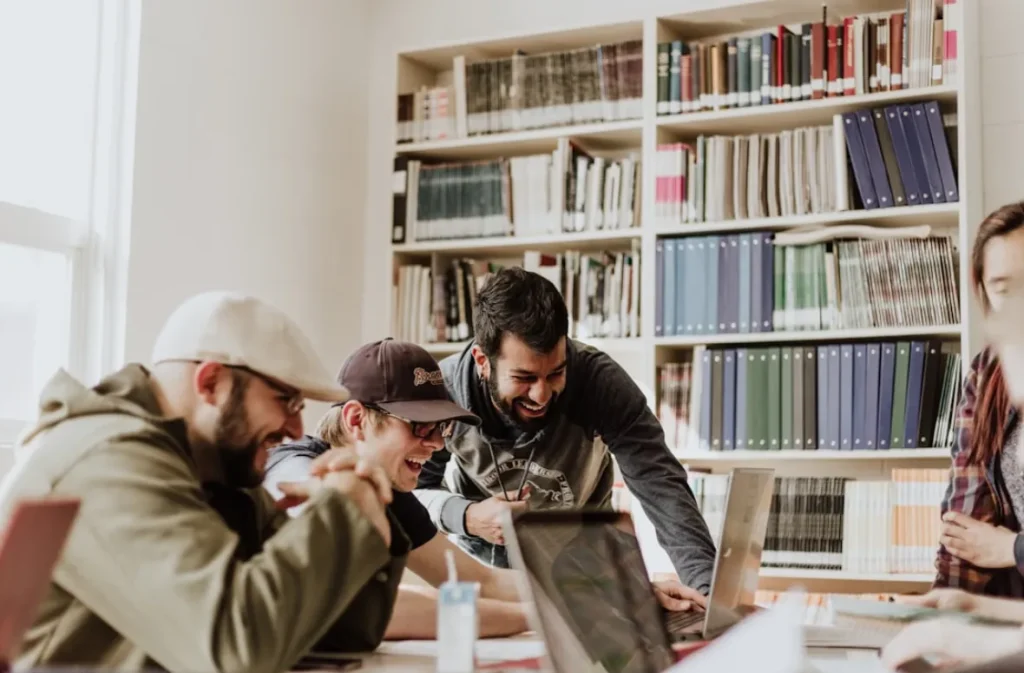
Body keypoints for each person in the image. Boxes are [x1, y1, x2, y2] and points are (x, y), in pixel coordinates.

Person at [0, 291, 407, 673]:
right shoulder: (108, 460)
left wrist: (365, 506)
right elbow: (236, 650)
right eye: (286, 400)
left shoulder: (212, 470)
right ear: (211, 382)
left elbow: (336, 634)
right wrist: (344, 512)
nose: (297, 429)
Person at [264, 338, 701, 640]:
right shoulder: (298, 470)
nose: (436, 445)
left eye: (443, 428)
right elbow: (366, 606)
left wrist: (620, 591)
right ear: (357, 419)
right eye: (419, 427)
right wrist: (565, 614)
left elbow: (479, 580)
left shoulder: (389, 491)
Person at [414, 266, 717, 597]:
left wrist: (706, 592)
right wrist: (466, 516)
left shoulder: (600, 383)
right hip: (486, 577)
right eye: (524, 378)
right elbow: (412, 493)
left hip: (586, 569)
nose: (541, 395)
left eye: (555, 373)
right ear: (482, 361)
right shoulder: (443, 394)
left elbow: (662, 488)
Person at [934, 202, 1024, 598]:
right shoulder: (988, 372)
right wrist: (944, 606)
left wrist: (1011, 548)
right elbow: (965, 523)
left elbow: (994, 546)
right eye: (1004, 289)